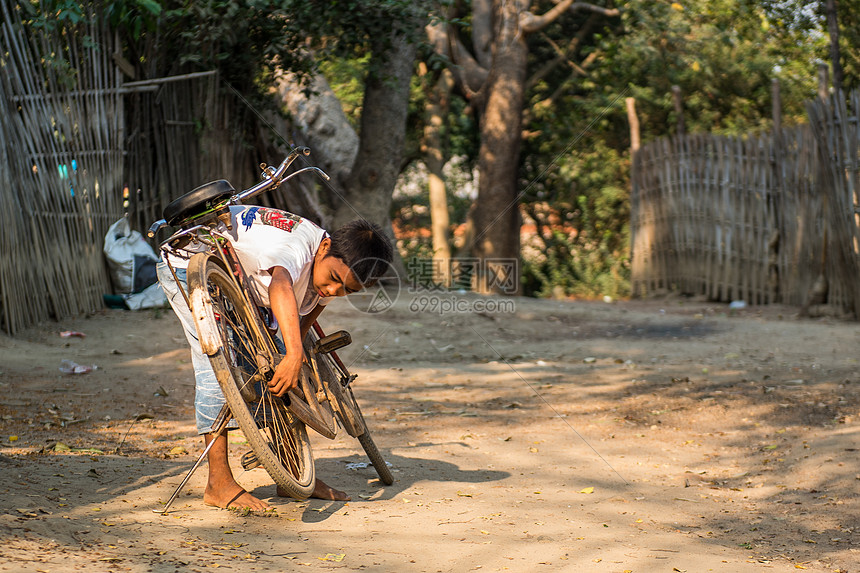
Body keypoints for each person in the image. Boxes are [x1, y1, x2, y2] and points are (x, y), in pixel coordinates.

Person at [157, 205, 393, 511]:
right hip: (189, 262)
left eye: (345, 290)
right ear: (324, 247)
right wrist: (293, 353)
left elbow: (315, 300)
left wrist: (289, 350)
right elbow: (281, 284)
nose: (332, 289)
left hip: (242, 276)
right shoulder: (295, 246)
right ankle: (218, 483)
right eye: (334, 277)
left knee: (275, 365)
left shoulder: (325, 266)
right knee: (220, 363)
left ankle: (293, 472)